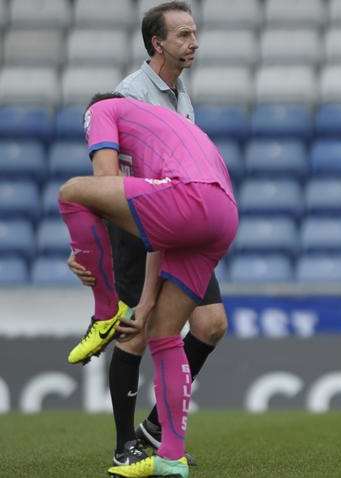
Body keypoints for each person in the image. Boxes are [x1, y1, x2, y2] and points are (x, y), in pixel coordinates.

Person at [65, 1, 228, 467]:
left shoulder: (180, 91)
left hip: (177, 219)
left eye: (194, 33)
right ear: (157, 43)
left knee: (211, 323)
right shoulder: (129, 95)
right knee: (138, 331)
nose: (193, 42)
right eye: (182, 35)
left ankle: (155, 429)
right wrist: (86, 247)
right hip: (137, 224)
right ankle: (124, 445)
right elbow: (106, 178)